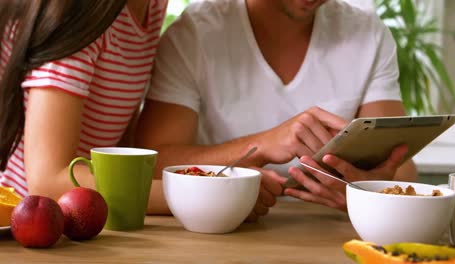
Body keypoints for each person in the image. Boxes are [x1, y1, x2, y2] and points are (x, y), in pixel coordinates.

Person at [136, 0, 418, 219]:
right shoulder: (194, 33)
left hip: (328, 234)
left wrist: (368, 190)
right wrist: (261, 145)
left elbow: (402, 165)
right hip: (222, 228)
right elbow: (157, 160)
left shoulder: (367, 34)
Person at [0, 0, 169, 213]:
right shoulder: (82, 10)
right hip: (24, 224)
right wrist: (190, 195)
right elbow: (49, 183)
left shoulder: (152, 7)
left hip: (87, 224)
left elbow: (119, 131)